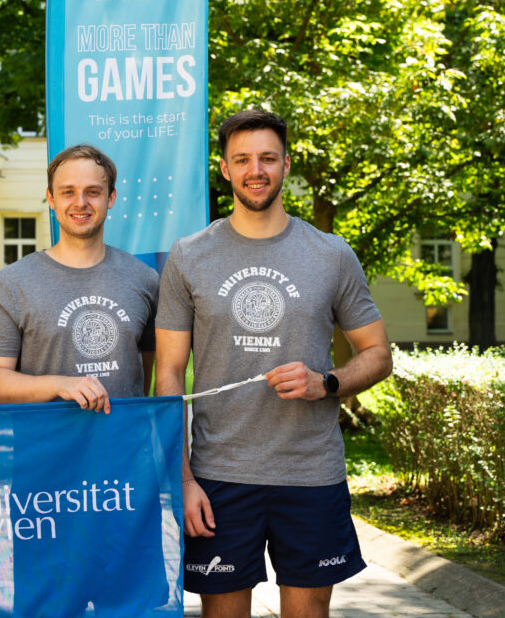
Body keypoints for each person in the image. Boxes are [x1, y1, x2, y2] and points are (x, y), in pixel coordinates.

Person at [155, 109, 393, 618]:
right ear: (224, 169)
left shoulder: (331, 254)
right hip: (219, 476)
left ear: (287, 164)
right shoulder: (189, 255)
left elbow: (378, 354)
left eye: (267, 158)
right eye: (242, 159)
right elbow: (169, 373)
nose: (255, 170)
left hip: (311, 473)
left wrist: (326, 382)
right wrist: (184, 479)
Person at [0, 143, 165, 616]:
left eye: (93, 192)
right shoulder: (13, 283)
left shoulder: (144, 280)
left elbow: (151, 372)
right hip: (46, 485)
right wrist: (58, 384)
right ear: (50, 198)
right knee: (50, 606)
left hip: (124, 482)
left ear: (112, 198)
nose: (81, 202)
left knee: (134, 605)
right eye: (69, 192)